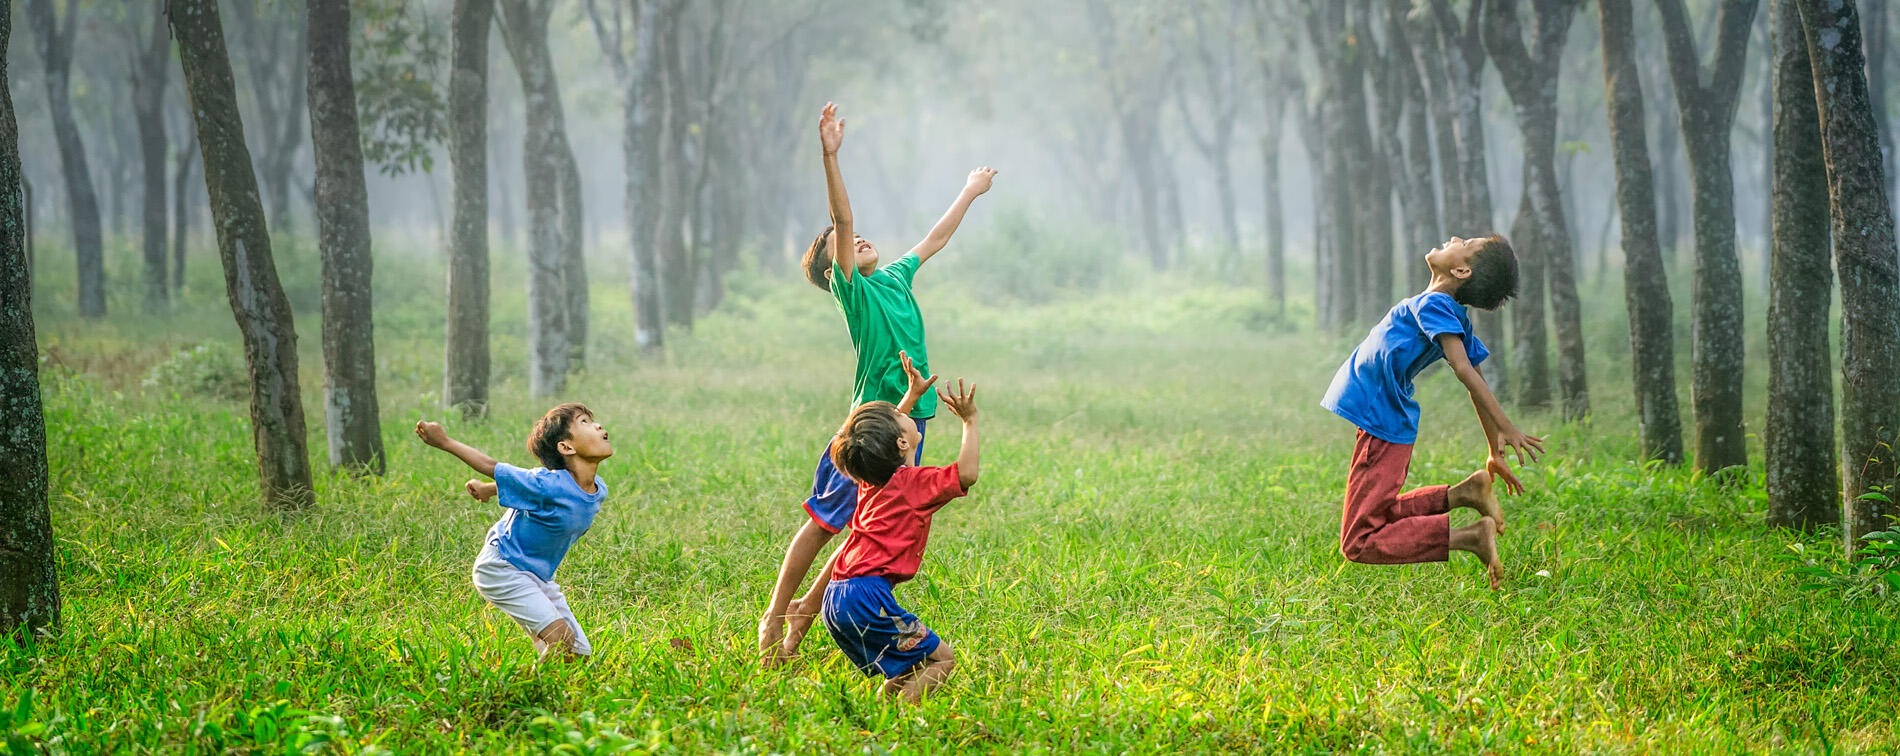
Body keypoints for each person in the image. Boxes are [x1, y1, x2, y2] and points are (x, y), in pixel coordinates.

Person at [758, 101, 996, 662]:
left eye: (860, 236)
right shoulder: (855, 292)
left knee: (866, 535)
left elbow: (934, 238)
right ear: (831, 270)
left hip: (908, 423)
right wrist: (829, 155)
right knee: (824, 524)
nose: (857, 237)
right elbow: (841, 220)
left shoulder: (893, 276)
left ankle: (798, 631)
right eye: (841, 244)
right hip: (869, 426)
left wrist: (969, 191)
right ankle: (775, 618)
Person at [1319, 234, 1544, 589]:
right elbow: (1475, 378)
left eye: (1466, 242)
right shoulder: (1444, 309)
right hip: (1383, 420)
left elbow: (1466, 371)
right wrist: (1493, 449)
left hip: (1382, 421)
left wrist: (1506, 427)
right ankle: (1465, 494)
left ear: (1461, 269)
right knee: (1378, 515)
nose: (1455, 237)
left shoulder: (1437, 305)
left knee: (1359, 541)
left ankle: (1470, 538)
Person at [821, 377, 980, 702]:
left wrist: (911, 396)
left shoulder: (871, 479)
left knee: (907, 666)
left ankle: (879, 715)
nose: (903, 413)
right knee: (943, 659)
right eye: (901, 415)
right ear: (901, 444)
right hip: (867, 599)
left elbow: (879, 440)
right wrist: (969, 421)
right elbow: (967, 473)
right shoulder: (914, 484)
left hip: (836, 597)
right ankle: (902, 723)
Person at [414, 404, 612, 658]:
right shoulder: (547, 484)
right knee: (561, 642)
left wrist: (488, 489)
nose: (598, 426)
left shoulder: (598, 489)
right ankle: (521, 691)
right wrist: (444, 442)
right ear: (566, 447)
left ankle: (548, 673)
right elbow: (492, 466)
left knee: (578, 654)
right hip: (502, 568)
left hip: (537, 577)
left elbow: (529, 490)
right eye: (584, 422)